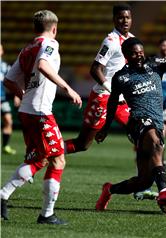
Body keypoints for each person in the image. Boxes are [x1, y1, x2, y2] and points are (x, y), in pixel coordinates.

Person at [0, 10, 82, 224]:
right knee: (58, 160)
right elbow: (43, 65)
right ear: (54, 28)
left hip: (27, 111)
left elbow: (8, 80)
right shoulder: (50, 44)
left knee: (39, 158)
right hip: (40, 113)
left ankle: (2, 196)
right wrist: (68, 89)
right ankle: (47, 214)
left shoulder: (26, 49)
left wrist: (23, 95)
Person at [94, 31, 166, 211]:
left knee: (143, 181)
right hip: (137, 123)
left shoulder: (154, 65)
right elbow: (113, 102)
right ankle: (163, 190)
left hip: (156, 123)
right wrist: (106, 128)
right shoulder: (121, 77)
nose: (138, 56)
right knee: (155, 143)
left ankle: (109, 189)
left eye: (140, 52)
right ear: (126, 56)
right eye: (133, 53)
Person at [64, 3, 134, 154]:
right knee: (82, 144)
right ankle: (41, 154)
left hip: (122, 100)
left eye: (128, 17)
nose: (125, 21)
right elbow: (95, 69)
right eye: (121, 18)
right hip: (103, 97)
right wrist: (113, 89)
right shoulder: (111, 41)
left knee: (140, 133)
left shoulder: (133, 40)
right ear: (114, 19)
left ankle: (147, 175)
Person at [133, 37, 166, 200]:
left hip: (164, 104)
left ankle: (158, 162)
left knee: (160, 139)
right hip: (148, 105)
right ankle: (147, 175)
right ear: (159, 46)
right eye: (163, 44)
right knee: (148, 143)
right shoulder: (152, 61)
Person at [1, 44, 17, 155]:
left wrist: (17, 95)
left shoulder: (5, 66)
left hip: (3, 99)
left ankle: (5, 146)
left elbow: (14, 81)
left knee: (8, 121)